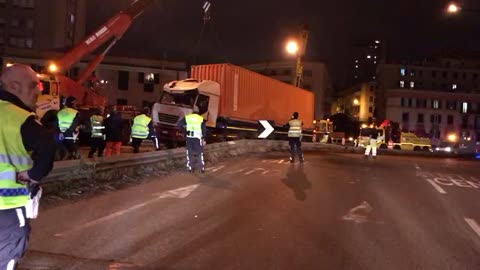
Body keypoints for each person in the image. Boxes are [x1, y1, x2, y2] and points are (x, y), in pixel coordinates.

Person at [0, 64, 56, 269]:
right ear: (14, 86)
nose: (39, 91)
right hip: (6, 209)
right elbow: (48, 148)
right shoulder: (20, 118)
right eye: (33, 86)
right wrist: (32, 175)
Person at [177, 108, 207, 173]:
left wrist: (185, 132)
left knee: (189, 153)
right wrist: (204, 138)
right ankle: (201, 168)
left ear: (192, 111)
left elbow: (179, 124)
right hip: (198, 139)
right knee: (199, 153)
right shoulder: (201, 118)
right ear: (198, 112)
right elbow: (204, 130)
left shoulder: (187, 118)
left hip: (189, 138)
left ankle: (191, 168)